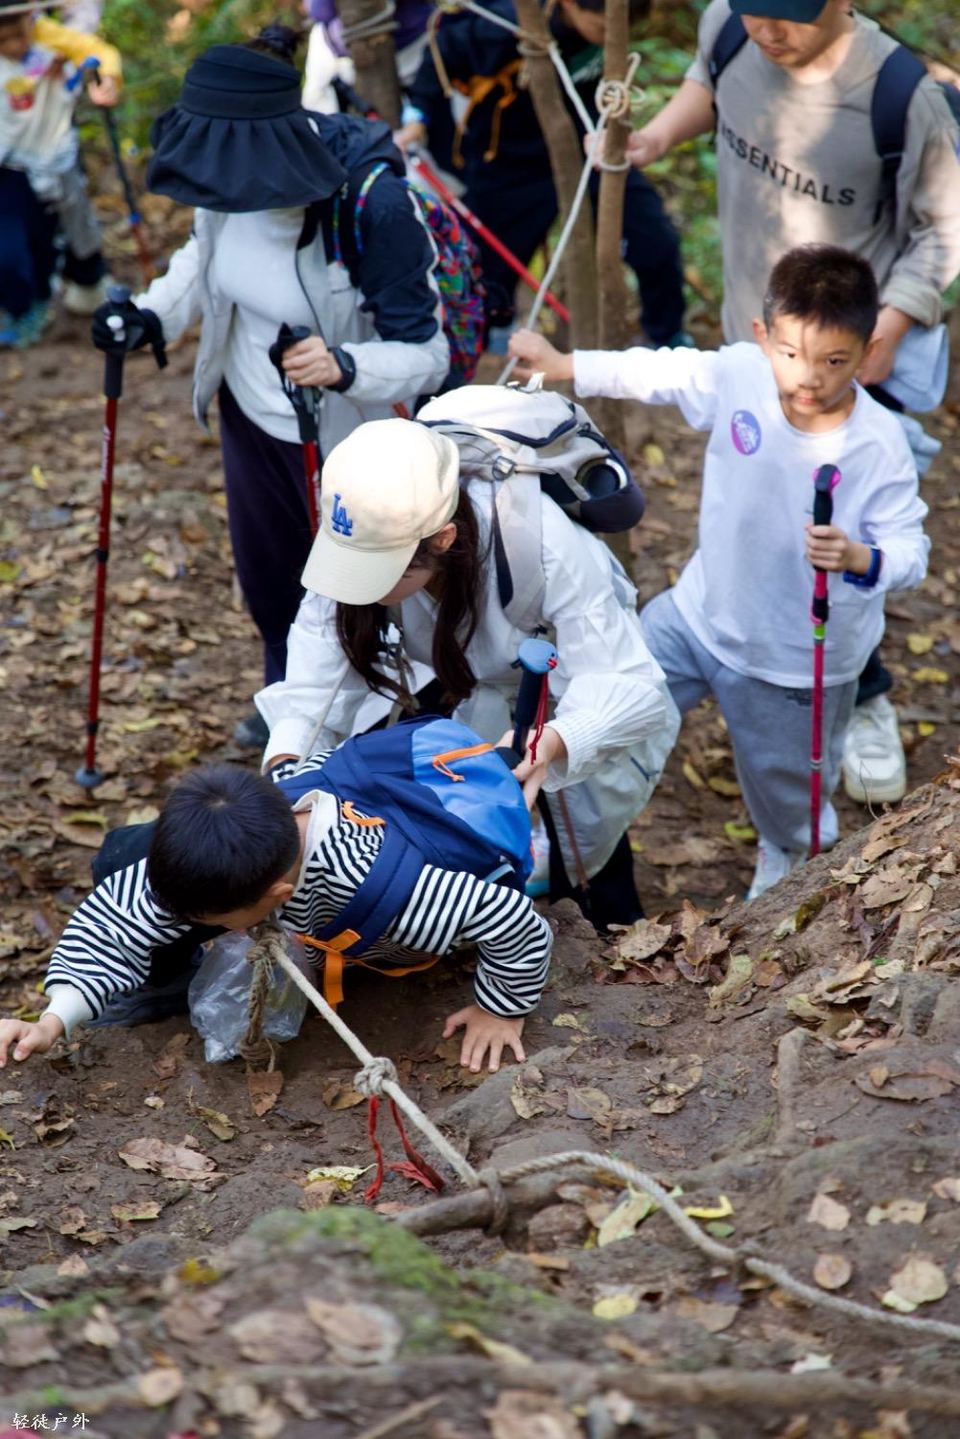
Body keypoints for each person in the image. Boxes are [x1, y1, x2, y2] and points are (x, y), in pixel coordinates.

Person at [606, 0, 960, 807]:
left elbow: (946, 226)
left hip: (850, 362)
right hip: (761, 346)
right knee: (769, 526)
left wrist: (893, 322)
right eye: (756, 10)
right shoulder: (730, 28)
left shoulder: (899, 95)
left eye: (789, 17)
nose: (768, 31)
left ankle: (859, 695)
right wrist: (654, 138)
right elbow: (709, 87)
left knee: (842, 537)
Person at [508, 245, 929, 898]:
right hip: (696, 613)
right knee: (602, 695)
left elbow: (910, 550)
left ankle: (788, 859)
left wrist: (858, 557)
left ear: (868, 351)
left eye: (834, 361)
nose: (809, 377)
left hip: (792, 661)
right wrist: (567, 365)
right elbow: (664, 372)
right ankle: (557, 841)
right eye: (791, 354)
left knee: (786, 785)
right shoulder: (740, 374)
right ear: (762, 336)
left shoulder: (879, 444)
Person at [91, 29, 449, 743]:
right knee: (271, 579)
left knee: (355, 586)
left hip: (344, 437)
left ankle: (381, 721)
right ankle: (290, 702)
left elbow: (428, 354)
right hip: (250, 414)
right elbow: (203, 260)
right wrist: (148, 318)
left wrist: (345, 365)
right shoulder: (225, 179)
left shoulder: (371, 206)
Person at [256, 417, 680, 931]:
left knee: (586, 829)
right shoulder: (362, 528)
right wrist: (287, 769)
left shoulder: (541, 543)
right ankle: (475, 913)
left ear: (443, 539)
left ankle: (608, 927)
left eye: (380, 572)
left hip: (562, 687)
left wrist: (554, 741)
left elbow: (628, 684)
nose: (358, 588)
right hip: (465, 680)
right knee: (461, 814)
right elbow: (314, 679)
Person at [0, 753, 553, 1075]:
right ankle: (156, 983)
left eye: (214, 921)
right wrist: (53, 1020)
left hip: (411, 865)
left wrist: (500, 1010)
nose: (200, 927)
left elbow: (515, 921)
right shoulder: (230, 844)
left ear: (278, 893)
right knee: (122, 856)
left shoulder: (394, 894)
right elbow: (112, 926)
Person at [395, 0, 690, 348]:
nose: (611, 38)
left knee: (654, 239)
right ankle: (491, 344)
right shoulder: (505, 26)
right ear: (568, 4)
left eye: (620, 31)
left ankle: (667, 337)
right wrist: (418, 116)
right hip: (511, 164)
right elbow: (443, 49)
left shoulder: (611, 27)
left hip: (594, 152)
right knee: (487, 270)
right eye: (601, 27)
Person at [0, 0, 121, 347]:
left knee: (57, 229)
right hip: (8, 162)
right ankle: (21, 306)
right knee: (8, 246)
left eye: (19, 35)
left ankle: (64, 291)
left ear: (32, 19)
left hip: (51, 155)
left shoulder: (51, 38)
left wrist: (106, 79)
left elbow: (96, 51)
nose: (14, 46)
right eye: (3, 39)